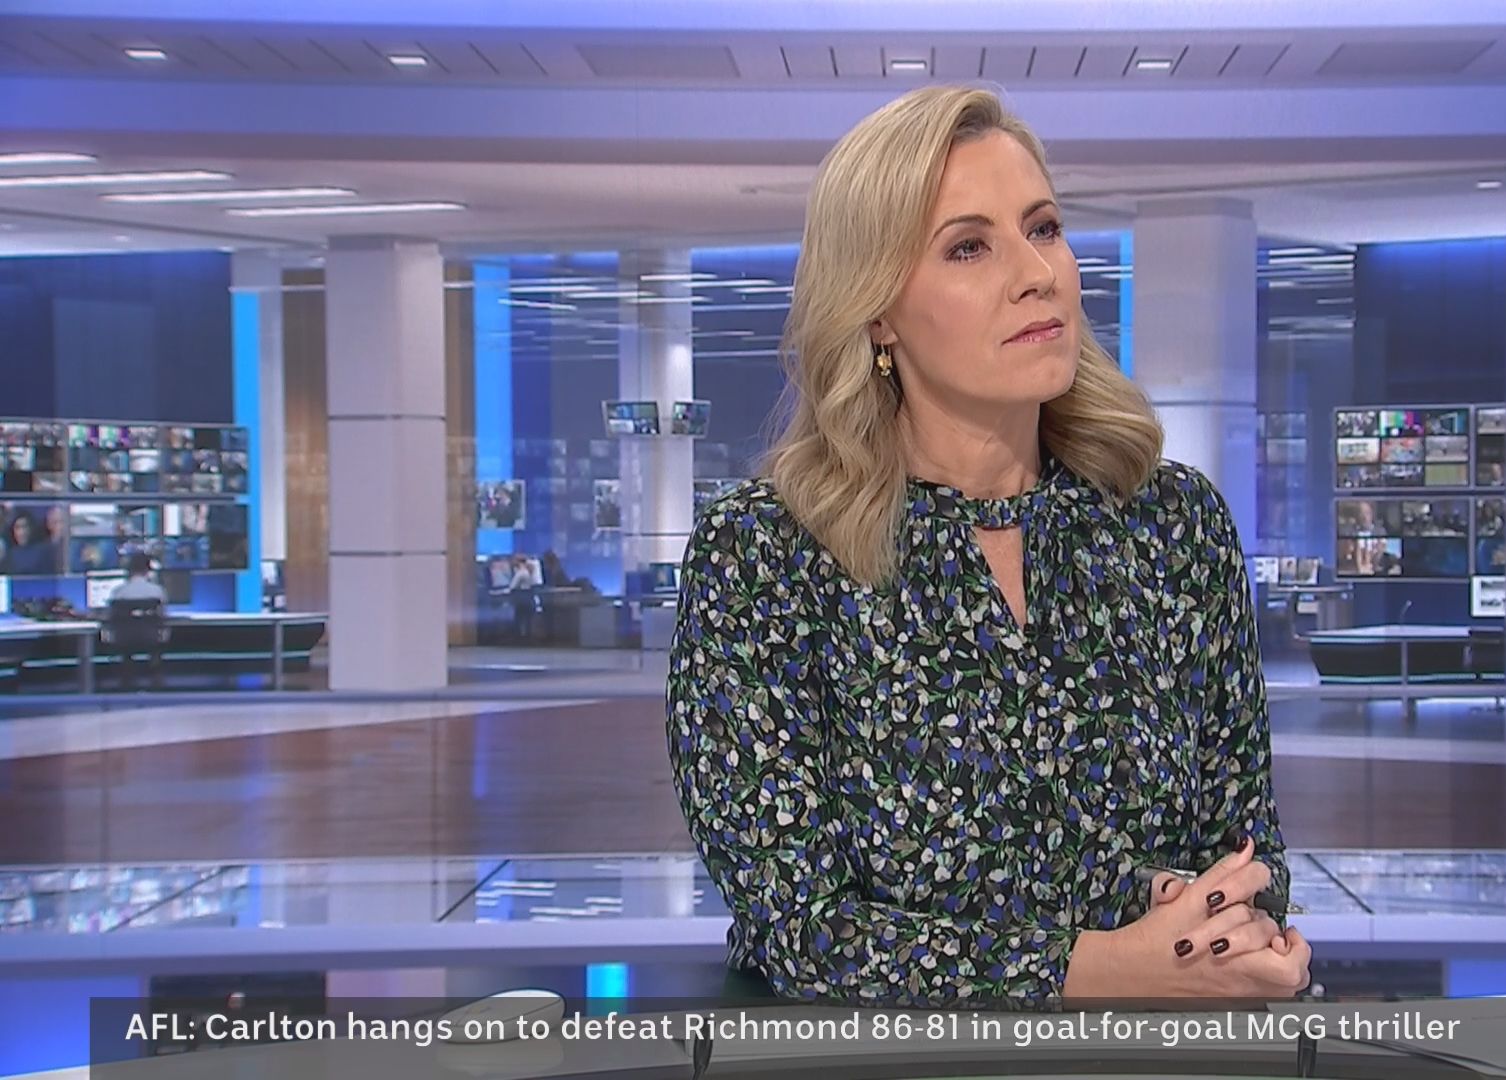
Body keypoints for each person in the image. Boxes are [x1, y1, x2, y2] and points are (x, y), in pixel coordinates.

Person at [667, 85, 1309, 1005]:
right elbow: (801, 928)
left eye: (1044, 229)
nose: (1037, 272)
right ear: (877, 310)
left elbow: (1246, 847)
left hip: (1163, 1053)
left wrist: (1234, 923)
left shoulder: (1174, 524)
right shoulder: (763, 556)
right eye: (969, 246)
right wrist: (1104, 967)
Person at [106, 551, 169, 690]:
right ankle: (156, 678)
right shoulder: (157, 591)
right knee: (156, 645)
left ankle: (126, 679)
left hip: (124, 640)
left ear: (129, 570)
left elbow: (111, 617)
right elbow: (163, 616)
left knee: (126, 645)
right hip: (151, 638)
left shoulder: (118, 592)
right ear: (148, 570)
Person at [507, 555, 537, 642]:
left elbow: (512, 587)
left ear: (518, 562)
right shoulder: (530, 571)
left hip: (521, 598)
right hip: (529, 598)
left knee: (518, 618)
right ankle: (528, 638)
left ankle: (518, 638)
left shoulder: (520, 573)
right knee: (528, 619)